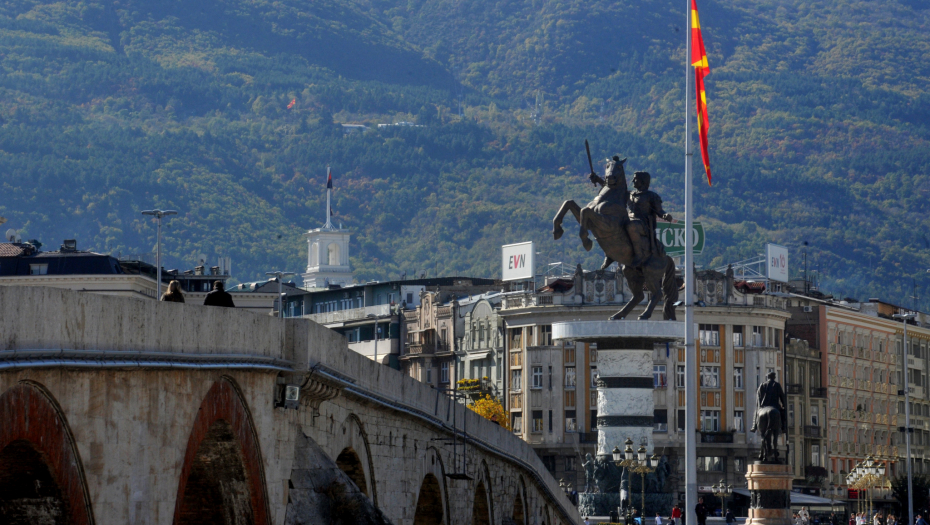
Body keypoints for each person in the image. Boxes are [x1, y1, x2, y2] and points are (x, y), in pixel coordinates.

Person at [625, 171, 672, 266]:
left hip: (643, 225)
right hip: (628, 221)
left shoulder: (651, 196)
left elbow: (660, 211)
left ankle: (639, 254)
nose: (633, 180)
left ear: (643, 181)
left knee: (631, 225)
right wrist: (598, 180)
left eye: (635, 179)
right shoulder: (630, 194)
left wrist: (665, 215)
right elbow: (614, 191)